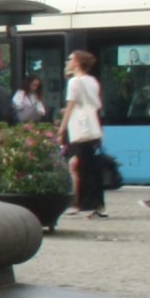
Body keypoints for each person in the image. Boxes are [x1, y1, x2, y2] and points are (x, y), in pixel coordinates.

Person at [61, 49, 107, 217]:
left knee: (79, 167)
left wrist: (61, 127)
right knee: (90, 166)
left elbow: (70, 106)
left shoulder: (74, 82)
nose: (68, 62)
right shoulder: (92, 81)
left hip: (79, 129)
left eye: (70, 59)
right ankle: (94, 204)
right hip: (92, 127)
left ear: (77, 62)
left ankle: (82, 203)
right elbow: (96, 104)